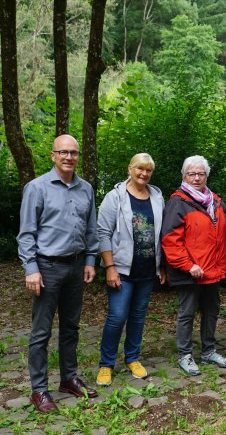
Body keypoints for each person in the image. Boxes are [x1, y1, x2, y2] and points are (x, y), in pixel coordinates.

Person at [16, 134, 100, 414]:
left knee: (71, 327)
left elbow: (91, 228)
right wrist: (31, 269)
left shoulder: (86, 189)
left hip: (76, 267)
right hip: (47, 268)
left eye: (73, 153)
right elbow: (26, 233)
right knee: (41, 332)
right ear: (53, 155)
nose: (69, 157)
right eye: (63, 152)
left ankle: (68, 378)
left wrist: (90, 260)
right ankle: (39, 389)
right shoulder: (37, 188)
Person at [162, 155, 226, 376]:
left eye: (200, 174)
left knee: (211, 311)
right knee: (187, 313)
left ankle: (208, 351)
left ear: (206, 176)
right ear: (184, 176)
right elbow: (170, 240)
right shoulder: (178, 203)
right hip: (191, 272)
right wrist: (188, 265)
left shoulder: (216, 202)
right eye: (191, 174)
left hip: (213, 269)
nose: (196, 178)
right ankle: (185, 354)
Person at [95, 153, 165, 385]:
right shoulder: (115, 197)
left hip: (147, 270)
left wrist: (162, 266)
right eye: (140, 169)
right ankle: (106, 364)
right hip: (122, 270)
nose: (144, 174)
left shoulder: (157, 197)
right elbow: (102, 233)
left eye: (148, 170)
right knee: (117, 317)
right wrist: (110, 267)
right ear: (130, 169)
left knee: (138, 316)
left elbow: (161, 234)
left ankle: (132, 358)